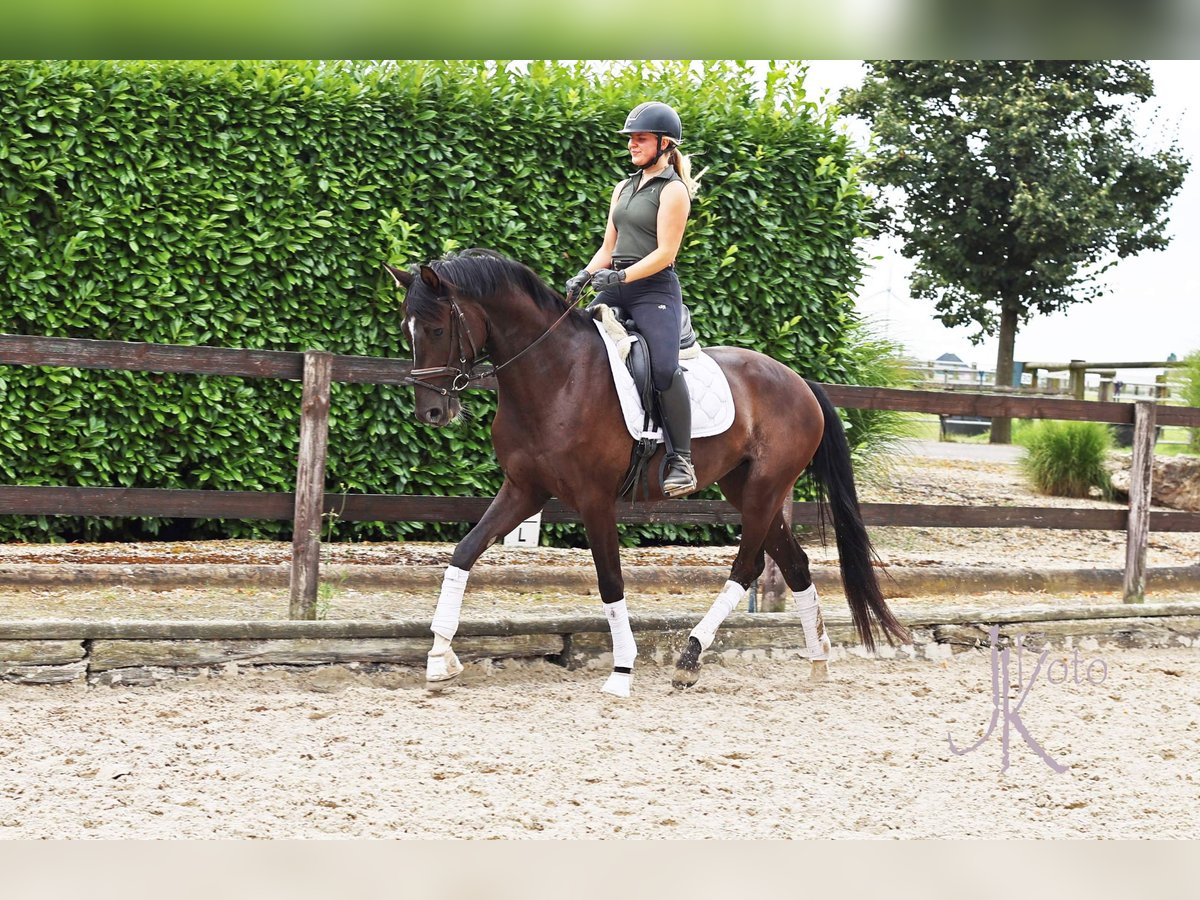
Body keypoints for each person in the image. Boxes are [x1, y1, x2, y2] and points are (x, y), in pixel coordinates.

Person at [566, 101, 702, 497]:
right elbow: (609, 245)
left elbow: (666, 253)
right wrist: (586, 274)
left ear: (664, 144)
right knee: (570, 342)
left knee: (663, 369)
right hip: (615, 279)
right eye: (631, 139)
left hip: (654, 288)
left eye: (640, 139)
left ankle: (681, 460)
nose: (632, 145)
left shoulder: (673, 190)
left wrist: (622, 275)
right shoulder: (623, 187)